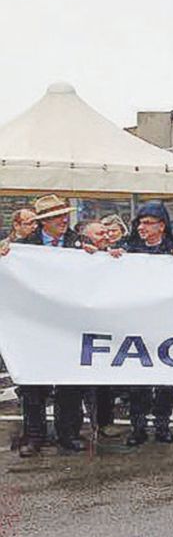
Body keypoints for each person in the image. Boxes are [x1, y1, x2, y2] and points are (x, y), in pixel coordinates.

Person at [1, 195, 88, 456]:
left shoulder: (79, 244)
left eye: (64, 215)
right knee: (32, 385)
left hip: (69, 325)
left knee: (69, 384)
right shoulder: (21, 248)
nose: (63, 220)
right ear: (43, 222)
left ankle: (68, 434)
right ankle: (35, 435)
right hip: (35, 326)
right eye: (55, 217)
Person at [112, 200, 173, 447]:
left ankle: (162, 424)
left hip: (167, 322)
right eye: (140, 223)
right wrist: (114, 256)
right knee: (138, 378)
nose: (142, 227)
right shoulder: (128, 248)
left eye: (148, 223)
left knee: (164, 378)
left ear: (162, 226)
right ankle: (138, 425)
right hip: (136, 321)